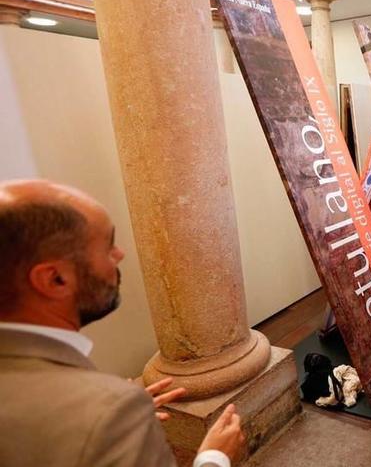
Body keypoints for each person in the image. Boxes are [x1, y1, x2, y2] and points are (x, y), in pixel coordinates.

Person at [0, 179, 244, 467]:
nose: (120, 255)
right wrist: (214, 458)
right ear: (55, 279)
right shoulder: (107, 411)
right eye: (107, 246)